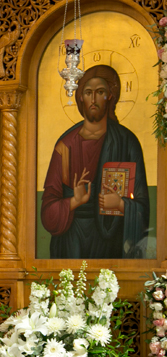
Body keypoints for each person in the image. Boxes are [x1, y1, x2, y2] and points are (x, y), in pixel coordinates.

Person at [41, 64, 149, 259]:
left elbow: (143, 208)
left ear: (110, 97)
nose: (93, 99)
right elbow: (47, 213)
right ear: (80, 97)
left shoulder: (127, 142)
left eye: (100, 92)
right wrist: (74, 201)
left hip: (111, 243)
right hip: (71, 245)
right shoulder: (65, 146)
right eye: (88, 92)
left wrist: (121, 204)